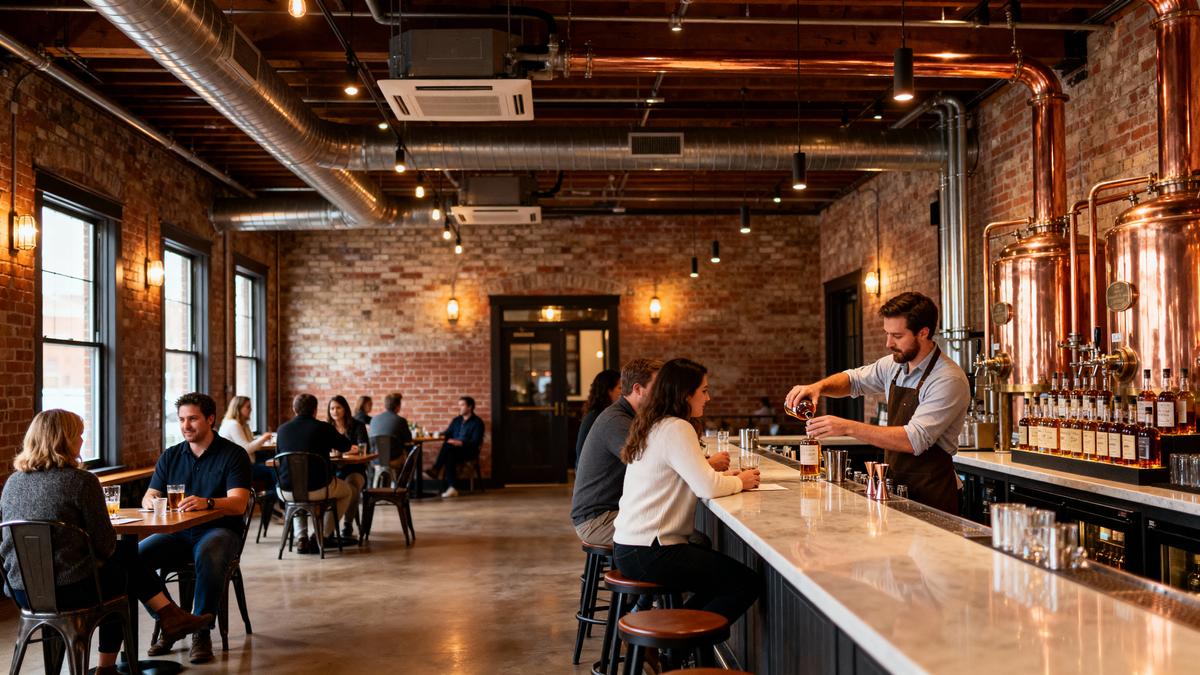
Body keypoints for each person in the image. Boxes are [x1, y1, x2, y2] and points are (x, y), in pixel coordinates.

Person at [1, 410, 213, 675]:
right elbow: (105, 545)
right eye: (78, 434)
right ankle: (110, 665)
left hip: (24, 592)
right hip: (70, 589)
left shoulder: (12, 483)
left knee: (122, 562)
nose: (82, 440)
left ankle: (169, 616)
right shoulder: (81, 481)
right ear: (65, 440)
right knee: (121, 568)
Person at [785, 291, 970, 514]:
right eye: (887, 333)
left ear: (923, 333)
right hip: (897, 488)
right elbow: (853, 380)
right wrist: (818, 387)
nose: (888, 343)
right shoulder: (893, 365)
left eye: (897, 336)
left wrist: (846, 427)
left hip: (934, 494)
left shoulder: (947, 379)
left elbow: (913, 440)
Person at [612, 358, 761, 628]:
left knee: (720, 581)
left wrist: (727, 477)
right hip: (651, 550)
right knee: (745, 583)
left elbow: (692, 476)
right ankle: (675, 646)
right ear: (684, 393)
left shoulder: (655, 423)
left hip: (631, 546)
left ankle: (671, 641)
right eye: (703, 390)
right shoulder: (676, 427)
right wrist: (742, 483)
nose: (709, 397)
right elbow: (707, 487)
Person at [139, 393, 252, 663]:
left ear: (210, 419)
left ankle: (202, 631)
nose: (185, 426)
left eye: (192, 419)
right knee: (132, 557)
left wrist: (208, 503)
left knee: (209, 551)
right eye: (181, 420)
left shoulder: (233, 455)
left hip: (220, 530)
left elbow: (238, 504)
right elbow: (149, 496)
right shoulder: (171, 456)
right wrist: (154, 501)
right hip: (177, 533)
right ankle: (171, 620)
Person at [572, 358, 732, 548]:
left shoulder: (636, 418)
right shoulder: (616, 421)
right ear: (638, 389)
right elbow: (653, 464)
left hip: (615, 511)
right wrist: (708, 466)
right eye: (658, 387)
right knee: (695, 540)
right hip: (597, 520)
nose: (664, 393)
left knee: (689, 534)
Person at [274, 394, 355, 554]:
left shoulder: (282, 430)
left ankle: (301, 538)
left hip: (286, 492)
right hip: (318, 489)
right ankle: (322, 535)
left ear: (294, 409)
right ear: (315, 410)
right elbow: (346, 446)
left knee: (298, 493)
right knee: (347, 491)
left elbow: (279, 457)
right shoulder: (324, 427)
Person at [328, 395, 369, 538]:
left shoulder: (357, 425)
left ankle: (347, 525)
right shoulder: (327, 428)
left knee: (352, 487)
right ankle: (330, 528)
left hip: (355, 469)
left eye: (338, 407)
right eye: (332, 408)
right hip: (333, 471)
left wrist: (343, 449)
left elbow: (363, 447)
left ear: (345, 408)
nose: (335, 411)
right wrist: (350, 448)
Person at [218, 395, 275, 490]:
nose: (251, 409)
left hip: (246, 462)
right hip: (238, 467)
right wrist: (263, 438)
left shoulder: (242, 424)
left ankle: (269, 498)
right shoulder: (233, 425)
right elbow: (246, 449)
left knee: (272, 461)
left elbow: (250, 443)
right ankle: (273, 498)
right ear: (238, 408)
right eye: (248, 407)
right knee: (274, 469)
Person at [432, 396, 485, 498]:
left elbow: (476, 442)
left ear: (470, 407)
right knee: (449, 452)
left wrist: (460, 443)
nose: (459, 407)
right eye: (459, 405)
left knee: (449, 448)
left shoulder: (478, 422)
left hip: (469, 451)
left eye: (462, 405)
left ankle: (436, 470)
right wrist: (436, 434)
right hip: (454, 450)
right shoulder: (456, 420)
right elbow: (447, 433)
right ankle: (452, 487)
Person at [574, 369, 621, 466]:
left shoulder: (598, 413)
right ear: (609, 391)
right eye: (620, 388)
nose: (624, 393)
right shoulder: (601, 417)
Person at [368, 392, 413, 477]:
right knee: (409, 455)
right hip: (392, 459)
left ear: (385, 405)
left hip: (375, 460)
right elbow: (408, 441)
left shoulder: (374, 419)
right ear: (398, 407)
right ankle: (403, 485)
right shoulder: (401, 421)